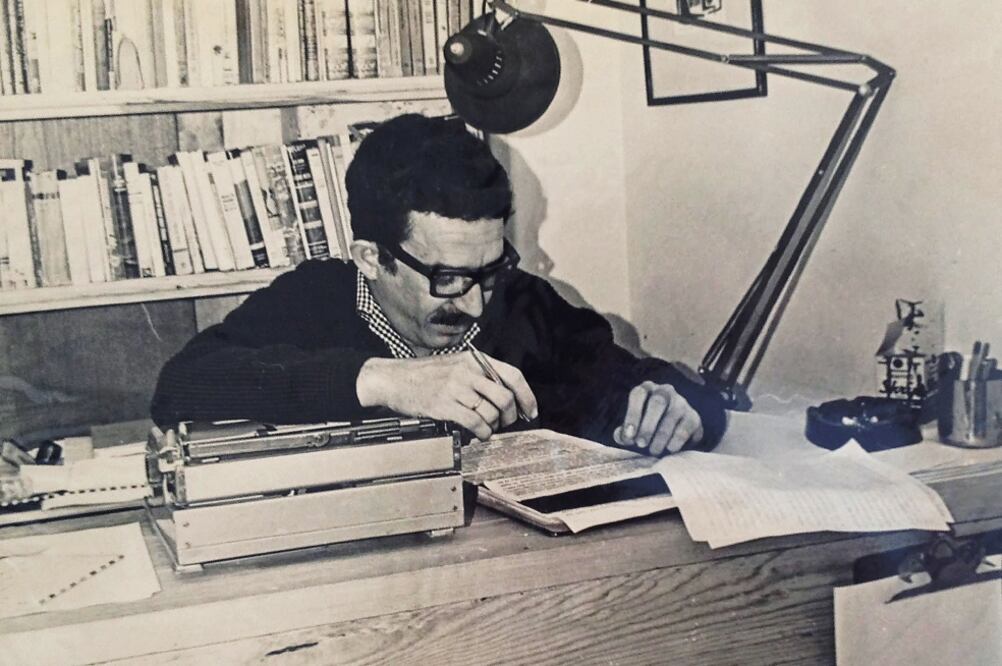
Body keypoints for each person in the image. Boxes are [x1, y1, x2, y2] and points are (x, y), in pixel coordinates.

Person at [151, 114, 726, 456]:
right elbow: (180, 387)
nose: (476, 304)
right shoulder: (313, 301)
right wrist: (384, 381)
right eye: (448, 279)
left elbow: (638, 379)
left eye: (490, 270)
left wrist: (684, 408)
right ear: (372, 258)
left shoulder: (524, 303)